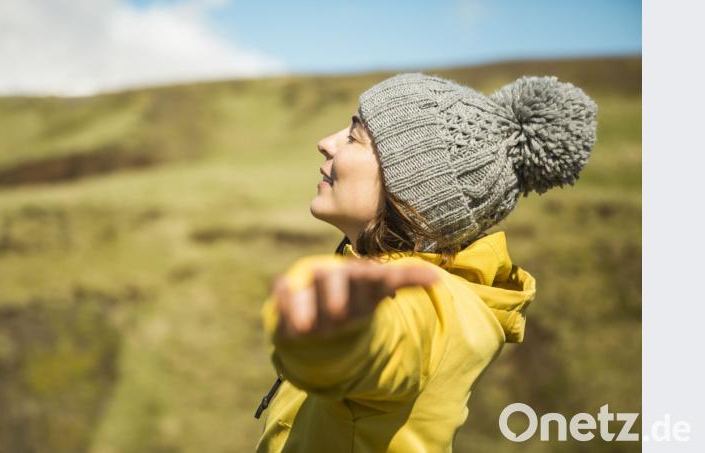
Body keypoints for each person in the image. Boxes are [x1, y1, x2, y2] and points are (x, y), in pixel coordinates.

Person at [254, 72, 598, 452]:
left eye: (354, 137)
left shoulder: (427, 303)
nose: (325, 143)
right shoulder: (415, 284)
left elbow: (392, 342)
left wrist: (338, 330)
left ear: (413, 188)